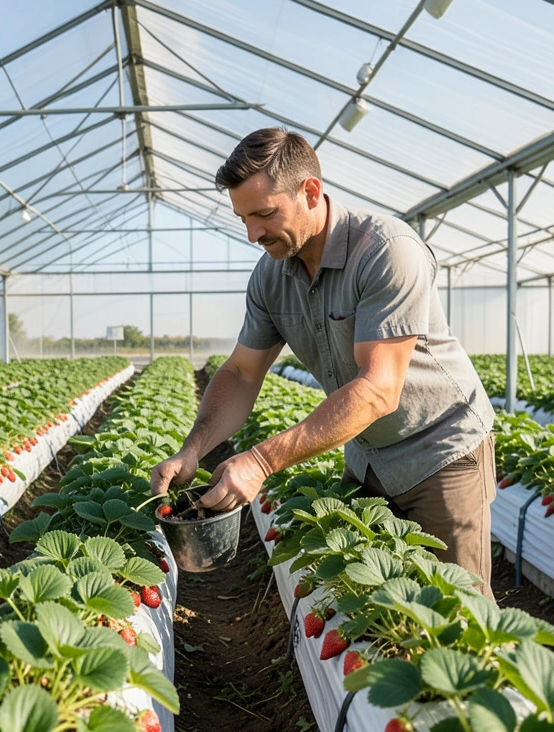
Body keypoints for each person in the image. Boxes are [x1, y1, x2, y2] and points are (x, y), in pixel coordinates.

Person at [148, 127, 496, 596]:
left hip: (438, 451)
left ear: (310, 192)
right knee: (375, 602)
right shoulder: (271, 277)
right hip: (368, 455)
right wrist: (194, 448)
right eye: (243, 218)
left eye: (264, 214)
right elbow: (240, 372)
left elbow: (377, 390)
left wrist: (260, 462)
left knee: (453, 611)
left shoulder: (386, 251)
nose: (253, 234)